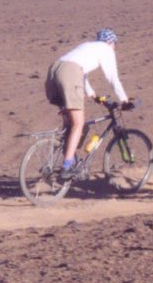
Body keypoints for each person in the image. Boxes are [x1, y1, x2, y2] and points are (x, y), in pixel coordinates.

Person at [44, 29, 134, 175]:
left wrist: (93, 95)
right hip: (69, 74)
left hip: (54, 71)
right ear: (111, 42)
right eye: (115, 44)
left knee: (70, 124)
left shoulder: (87, 47)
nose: (114, 47)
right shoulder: (106, 49)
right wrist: (124, 99)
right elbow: (112, 77)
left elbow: (81, 74)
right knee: (79, 124)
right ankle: (66, 167)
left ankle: (70, 157)